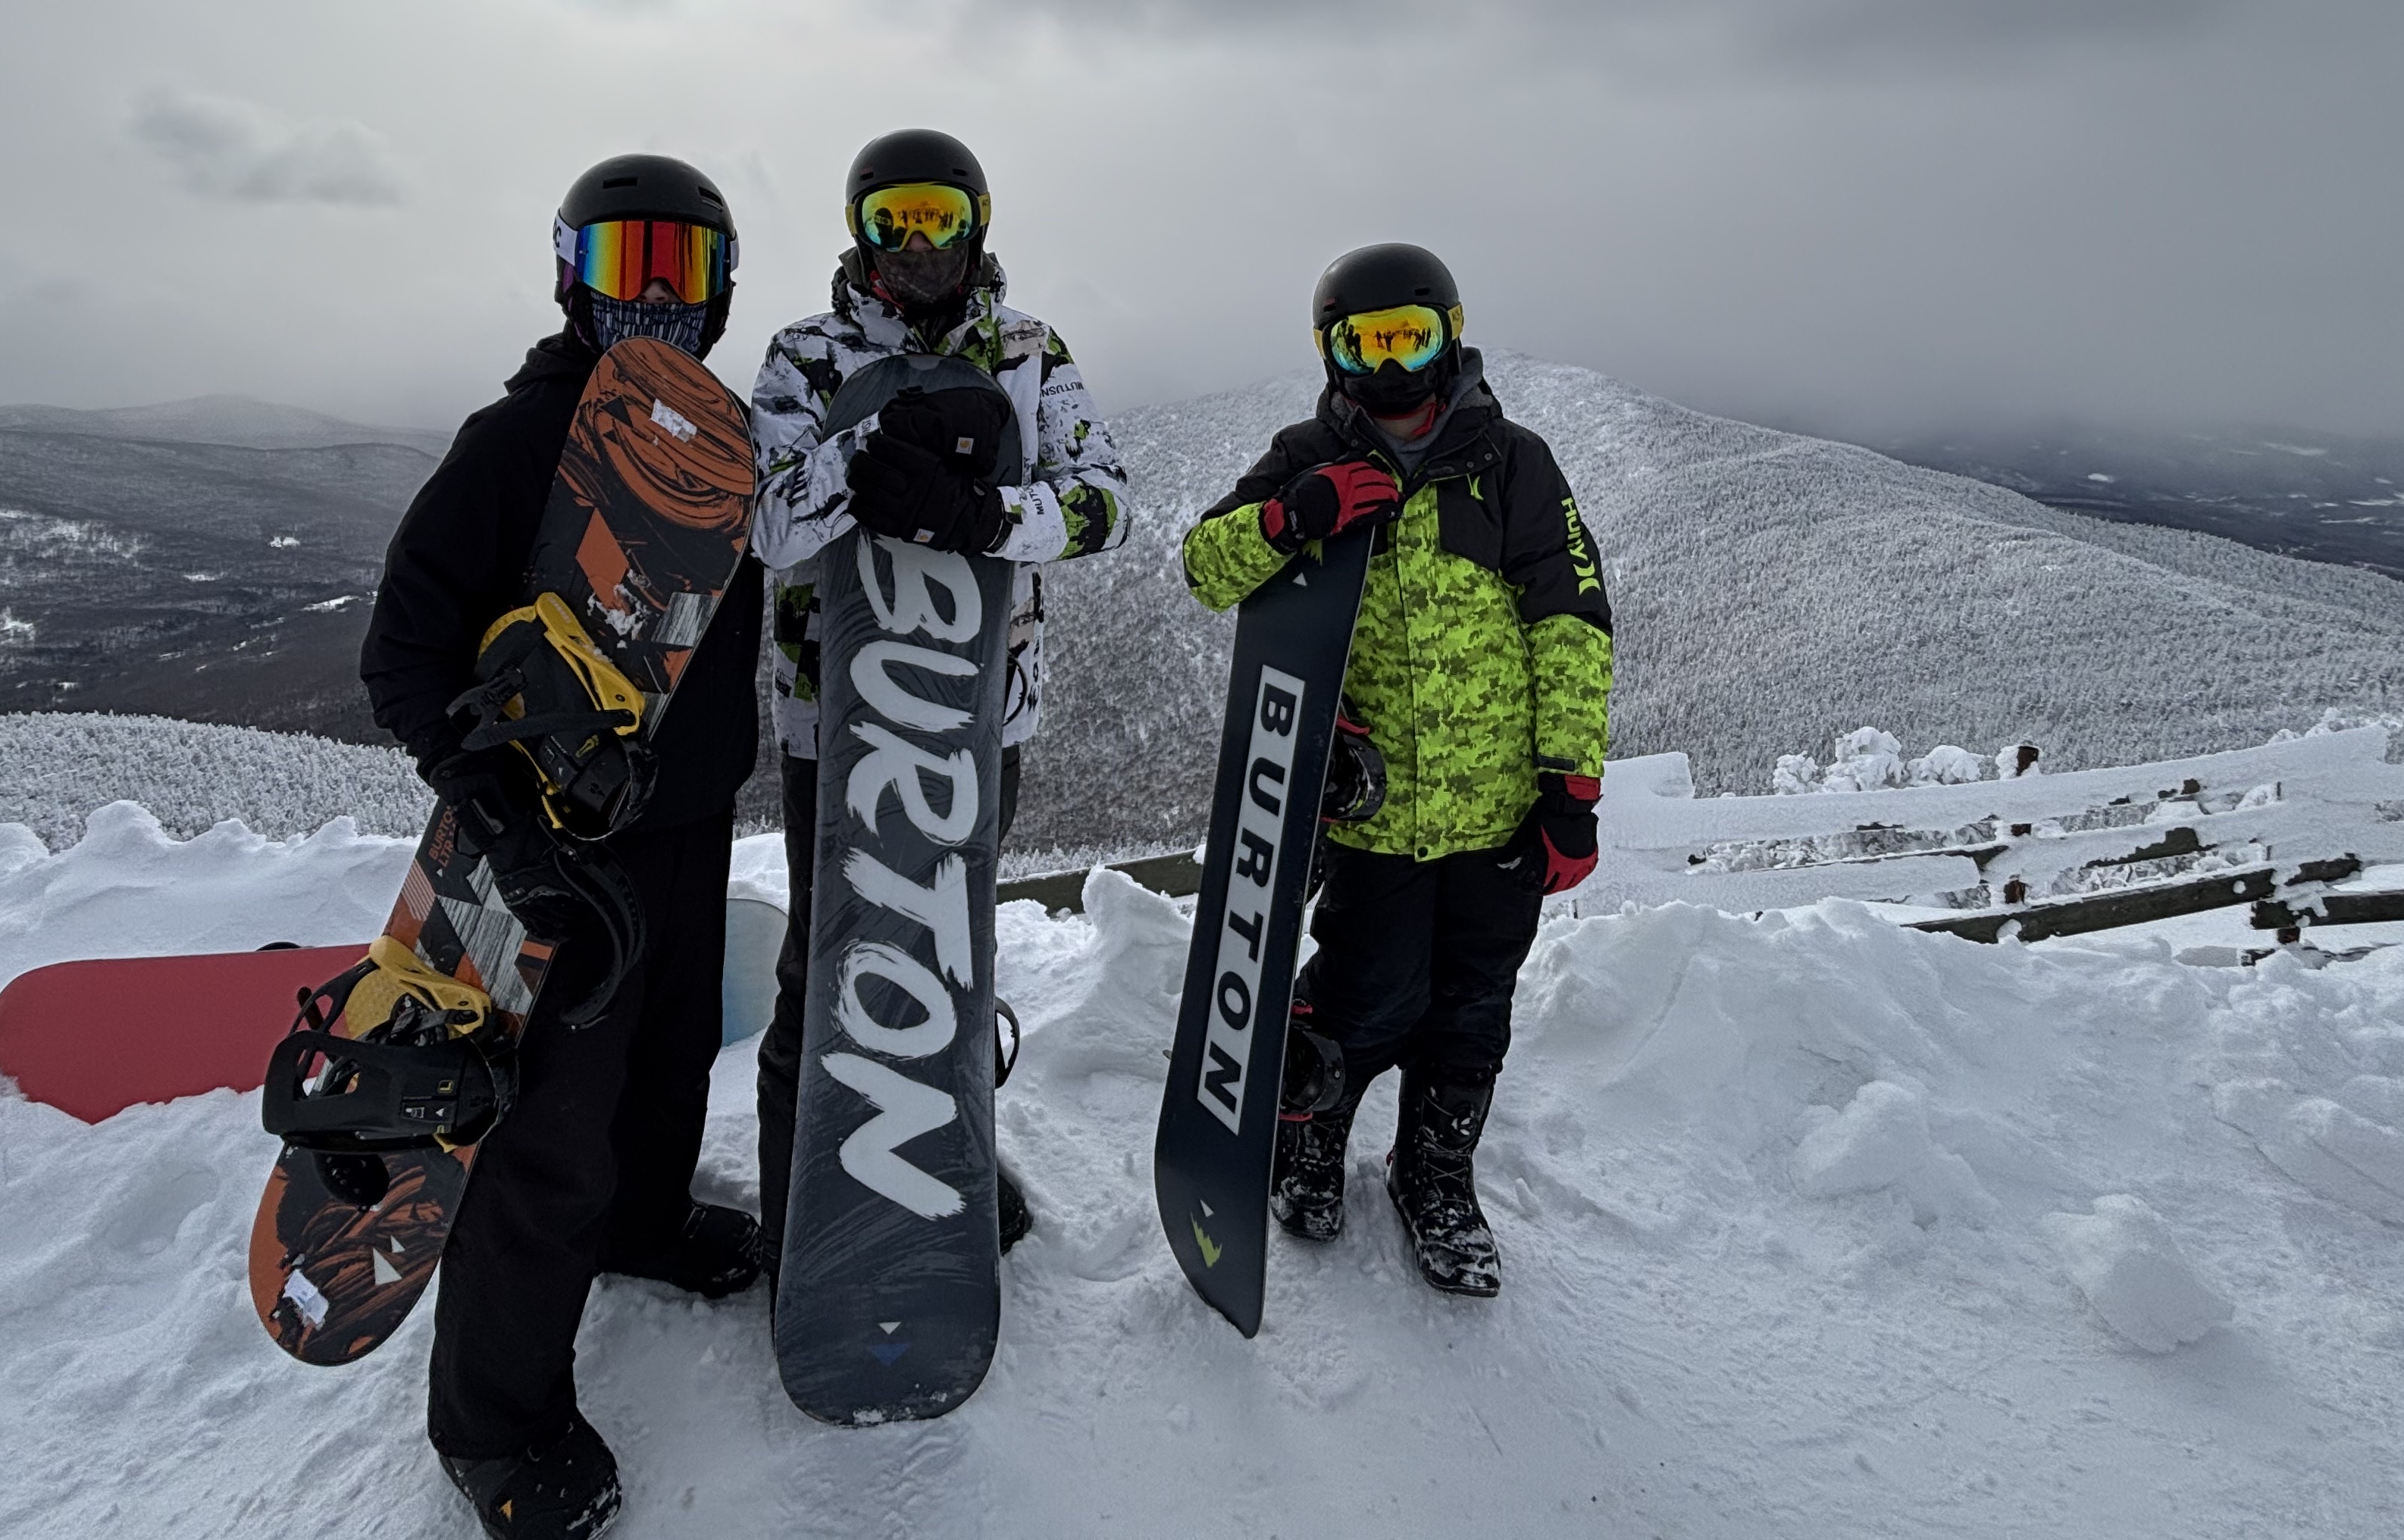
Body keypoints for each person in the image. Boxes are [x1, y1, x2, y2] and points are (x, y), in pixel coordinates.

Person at [358, 153, 768, 1540]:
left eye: (684, 266)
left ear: (722, 291)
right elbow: (403, 652)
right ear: (568, 273)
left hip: (685, 819)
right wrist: (500, 829)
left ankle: (644, 1227)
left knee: (664, 1063)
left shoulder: (716, 440)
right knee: (545, 1138)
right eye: (623, 262)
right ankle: (495, 1423)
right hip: (553, 849)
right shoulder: (523, 437)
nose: (654, 294)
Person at [1178, 242, 1613, 1297]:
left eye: (1408, 338)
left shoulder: (1511, 463)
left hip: (1501, 815)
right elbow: (1207, 566)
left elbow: (1571, 625)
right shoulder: (1303, 453)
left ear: (1449, 336)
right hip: (1371, 817)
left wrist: (1571, 789)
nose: (1388, 366)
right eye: (1362, 343)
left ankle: (1436, 1176)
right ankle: (1313, 1139)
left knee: (1472, 1011)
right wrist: (1298, 515)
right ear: (1330, 352)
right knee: (1366, 995)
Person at [748, 127, 1132, 1263]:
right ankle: (804, 1201)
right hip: (840, 718)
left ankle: (937, 1156)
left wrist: (985, 517)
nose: (915, 244)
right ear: (858, 229)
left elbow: (1104, 500)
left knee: (948, 952)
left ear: (977, 222)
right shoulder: (807, 355)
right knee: (829, 961)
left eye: (938, 216)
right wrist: (865, 452)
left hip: (976, 711)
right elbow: (763, 524)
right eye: (891, 219)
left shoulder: (1026, 350)